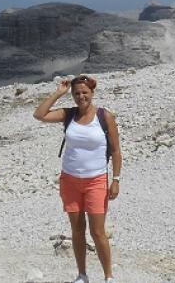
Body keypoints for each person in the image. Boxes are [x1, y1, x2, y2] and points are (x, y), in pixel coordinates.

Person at [34, 75, 122, 283]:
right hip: (70, 180)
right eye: (76, 93)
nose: (81, 96)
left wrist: (116, 179)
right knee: (77, 229)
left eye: (85, 92)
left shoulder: (105, 116)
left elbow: (116, 151)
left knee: (98, 232)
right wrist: (58, 93)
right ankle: (82, 275)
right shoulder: (68, 114)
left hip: (96, 181)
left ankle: (108, 276)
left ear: (92, 93)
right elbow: (39, 115)